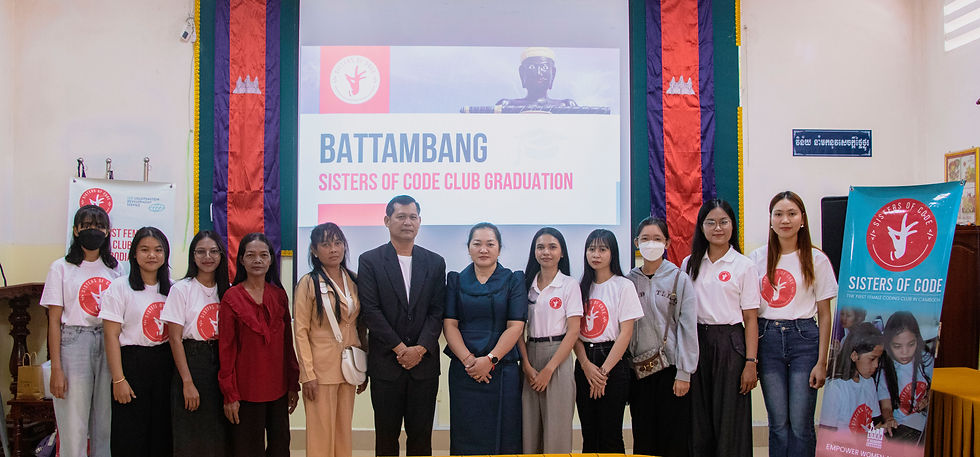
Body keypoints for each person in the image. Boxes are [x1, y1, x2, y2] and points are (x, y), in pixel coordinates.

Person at [748, 191, 838, 457]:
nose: (784, 220)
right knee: (778, 425)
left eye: (791, 213)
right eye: (778, 214)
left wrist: (822, 362)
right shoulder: (756, 258)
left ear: (802, 220)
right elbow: (749, 311)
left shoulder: (817, 259)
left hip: (805, 340)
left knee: (800, 424)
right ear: (771, 221)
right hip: (768, 340)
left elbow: (824, 314)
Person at [358, 195, 447, 457]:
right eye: (400, 217)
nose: (407, 222)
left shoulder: (434, 262)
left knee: (421, 437)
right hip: (386, 365)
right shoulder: (370, 260)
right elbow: (371, 312)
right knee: (386, 437)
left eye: (412, 217)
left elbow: (437, 311)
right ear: (387, 221)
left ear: (419, 222)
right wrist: (400, 348)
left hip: (424, 365)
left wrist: (419, 349)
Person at [39, 205, 124, 457]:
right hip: (73, 343)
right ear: (76, 231)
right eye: (86, 225)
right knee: (73, 427)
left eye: (98, 226)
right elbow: (53, 320)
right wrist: (56, 369)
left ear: (107, 231)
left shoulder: (116, 268)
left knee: (105, 424)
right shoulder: (61, 268)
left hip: (108, 342)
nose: (92, 230)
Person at [681, 199, 760, 457]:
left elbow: (750, 319)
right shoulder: (688, 264)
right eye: (711, 222)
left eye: (724, 222)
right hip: (697, 342)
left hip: (731, 344)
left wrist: (751, 362)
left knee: (730, 418)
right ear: (701, 227)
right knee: (698, 417)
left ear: (732, 226)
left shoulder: (744, 266)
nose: (718, 228)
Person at [443, 222, 526, 454]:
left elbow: (515, 326)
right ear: (468, 248)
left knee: (504, 435)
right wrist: (470, 361)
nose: (483, 249)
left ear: (499, 248)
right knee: (466, 433)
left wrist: (489, 360)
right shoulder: (456, 280)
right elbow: (449, 324)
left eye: (490, 244)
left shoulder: (513, 279)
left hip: (502, 369)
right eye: (477, 244)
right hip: (464, 369)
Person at [218, 233, 299, 457]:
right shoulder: (231, 298)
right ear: (241, 260)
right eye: (251, 255)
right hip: (245, 392)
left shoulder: (279, 295)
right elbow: (226, 350)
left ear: (271, 260)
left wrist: (293, 382)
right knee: (246, 450)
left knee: (280, 448)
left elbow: (287, 345)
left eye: (263, 255)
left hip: (279, 388)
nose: (257, 260)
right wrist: (230, 394)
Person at [294, 223, 368, 456]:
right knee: (321, 433)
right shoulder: (308, 282)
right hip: (320, 370)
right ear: (315, 251)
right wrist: (307, 374)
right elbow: (300, 331)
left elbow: (361, 325)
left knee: (343, 432)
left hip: (349, 367)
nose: (333, 249)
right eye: (325, 244)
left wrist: (364, 367)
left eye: (337, 243)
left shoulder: (354, 280)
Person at [627, 217, 698, 457]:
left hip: (671, 370)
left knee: (673, 437)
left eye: (657, 239)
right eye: (645, 239)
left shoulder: (680, 279)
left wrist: (684, 373)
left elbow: (688, 329)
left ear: (667, 242)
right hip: (639, 370)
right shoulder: (629, 281)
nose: (651, 244)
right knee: (643, 437)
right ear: (637, 242)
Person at [100, 226, 174, 456]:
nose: (152, 255)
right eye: (145, 249)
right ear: (133, 254)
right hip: (131, 365)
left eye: (158, 250)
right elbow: (111, 335)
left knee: (162, 433)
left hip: (164, 364)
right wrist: (118, 379)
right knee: (130, 435)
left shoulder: (172, 288)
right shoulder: (119, 287)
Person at [160, 230, 230, 457]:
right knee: (191, 433)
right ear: (193, 256)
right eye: (201, 251)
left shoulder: (227, 290)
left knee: (219, 432)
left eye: (213, 251)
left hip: (220, 363)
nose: (207, 256)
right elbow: (174, 338)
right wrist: (187, 382)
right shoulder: (181, 289)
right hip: (192, 362)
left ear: (221, 255)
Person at [574, 229, 643, 453]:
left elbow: (626, 333)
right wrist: (585, 366)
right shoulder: (579, 287)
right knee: (589, 433)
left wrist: (602, 373)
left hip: (613, 363)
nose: (596, 254)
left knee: (610, 434)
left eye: (603, 249)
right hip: (585, 363)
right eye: (591, 249)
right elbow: (574, 332)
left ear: (612, 253)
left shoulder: (623, 286)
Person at [517, 227, 582, 454]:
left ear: (562, 253)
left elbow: (573, 332)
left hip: (559, 357)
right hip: (529, 355)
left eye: (552, 247)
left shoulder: (569, 284)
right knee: (529, 429)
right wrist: (526, 365)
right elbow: (518, 330)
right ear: (534, 252)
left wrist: (549, 370)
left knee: (557, 430)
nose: (546, 252)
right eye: (541, 247)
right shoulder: (525, 284)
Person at [876, 311, 933, 444]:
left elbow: (935, 387)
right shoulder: (885, 368)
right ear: (888, 345)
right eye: (897, 346)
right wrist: (889, 419)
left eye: (911, 344)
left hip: (923, 424)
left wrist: (927, 398)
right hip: (901, 426)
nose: (905, 352)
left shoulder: (925, 359)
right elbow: (886, 407)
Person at [819, 322, 885, 434]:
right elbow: (826, 436)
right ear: (854, 356)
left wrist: (884, 430)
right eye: (872, 359)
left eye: (878, 359)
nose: (876, 365)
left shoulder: (869, 382)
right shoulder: (835, 388)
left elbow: (876, 424)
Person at [496, 47, 577, 108]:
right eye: (532, 67)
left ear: (553, 73)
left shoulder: (566, 106)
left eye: (544, 67)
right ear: (522, 73)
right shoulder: (508, 106)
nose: (538, 73)